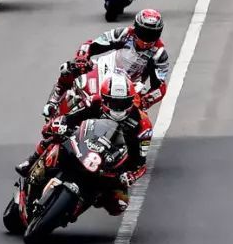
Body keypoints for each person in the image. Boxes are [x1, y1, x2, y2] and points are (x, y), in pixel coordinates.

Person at [21, 70, 151, 216]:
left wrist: (130, 176)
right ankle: (31, 161)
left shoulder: (142, 124)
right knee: (52, 135)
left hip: (110, 164)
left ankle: (85, 201)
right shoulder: (94, 102)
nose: (118, 108)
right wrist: (60, 124)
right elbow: (70, 117)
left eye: (123, 103)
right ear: (104, 98)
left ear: (132, 100)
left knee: (119, 205)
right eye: (113, 102)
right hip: (83, 144)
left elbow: (140, 163)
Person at [43, 10, 171, 117]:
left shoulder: (159, 54)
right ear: (136, 28)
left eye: (152, 34)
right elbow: (91, 45)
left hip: (129, 86)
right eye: (144, 32)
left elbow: (160, 88)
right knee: (69, 68)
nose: (147, 39)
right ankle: (54, 101)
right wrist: (82, 58)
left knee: (141, 120)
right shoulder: (124, 34)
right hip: (103, 68)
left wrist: (144, 101)